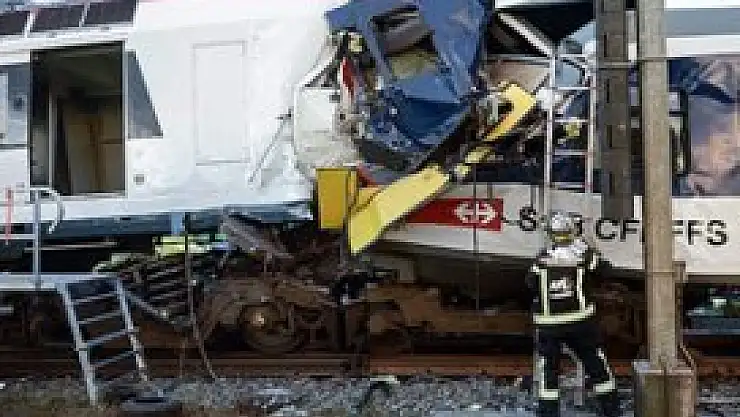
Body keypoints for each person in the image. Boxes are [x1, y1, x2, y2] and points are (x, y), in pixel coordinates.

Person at [525, 212, 620, 417]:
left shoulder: (542, 258)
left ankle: (548, 413)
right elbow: (606, 271)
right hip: (580, 322)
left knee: (548, 371)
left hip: (549, 325)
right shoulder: (583, 255)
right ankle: (611, 410)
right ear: (572, 231)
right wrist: (590, 249)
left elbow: (530, 283)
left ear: (550, 234)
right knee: (596, 364)